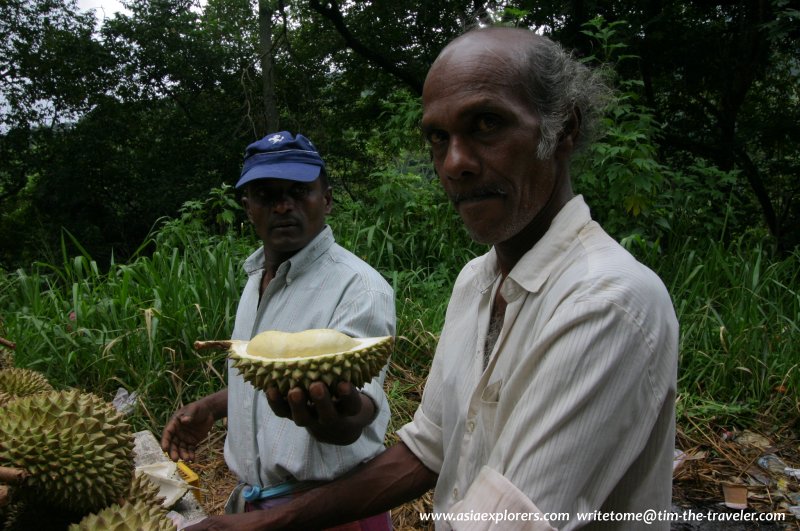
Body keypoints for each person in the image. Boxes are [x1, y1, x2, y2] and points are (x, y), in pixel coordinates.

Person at [185, 26, 679, 531]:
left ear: (564, 129)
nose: (455, 163)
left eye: (487, 123)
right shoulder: (474, 282)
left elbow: (506, 523)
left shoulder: (607, 302)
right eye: (438, 138)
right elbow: (428, 450)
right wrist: (268, 522)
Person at [161, 131, 396, 529]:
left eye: (299, 191)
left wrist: (338, 418)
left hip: (333, 509)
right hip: (258, 508)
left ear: (326, 199)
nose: (284, 206)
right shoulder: (256, 280)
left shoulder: (359, 287)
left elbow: (360, 408)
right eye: (267, 195)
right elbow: (272, 368)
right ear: (248, 206)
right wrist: (213, 408)